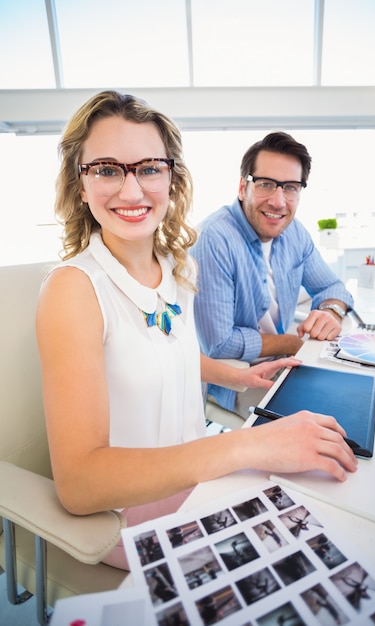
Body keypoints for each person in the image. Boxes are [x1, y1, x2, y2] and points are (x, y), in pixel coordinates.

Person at [36, 92, 357, 570]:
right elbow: (81, 485)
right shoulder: (74, 290)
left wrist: (238, 377)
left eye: (148, 168)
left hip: (202, 481)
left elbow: (166, 349)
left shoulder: (173, 266)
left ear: (170, 178)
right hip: (135, 518)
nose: (131, 190)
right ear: (79, 186)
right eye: (106, 169)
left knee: (342, 520)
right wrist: (245, 445)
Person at [191, 132, 354, 417]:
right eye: (266, 184)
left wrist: (331, 312)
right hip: (237, 377)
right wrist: (294, 343)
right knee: (322, 419)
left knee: (352, 397)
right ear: (243, 187)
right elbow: (219, 344)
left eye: (290, 187)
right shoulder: (213, 238)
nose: (279, 202)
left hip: (286, 361)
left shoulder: (294, 232)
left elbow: (333, 286)